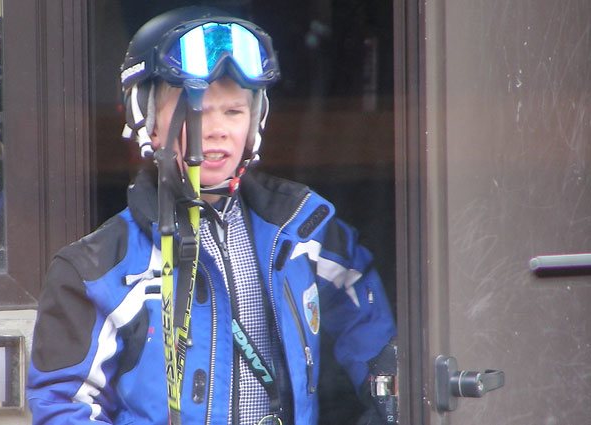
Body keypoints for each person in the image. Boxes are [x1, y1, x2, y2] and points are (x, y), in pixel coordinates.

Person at [27, 6, 396, 425]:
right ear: (146, 118)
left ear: (257, 121)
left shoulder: (304, 229)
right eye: (196, 111)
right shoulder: (97, 271)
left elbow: (365, 313)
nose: (217, 129)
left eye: (234, 112)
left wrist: (388, 393)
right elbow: (64, 404)